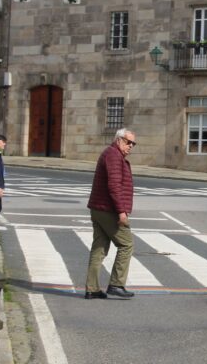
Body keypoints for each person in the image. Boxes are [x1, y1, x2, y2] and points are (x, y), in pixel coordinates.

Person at [85, 128, 137, 299]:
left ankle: (92, 288)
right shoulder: (114, 156)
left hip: (98, 208)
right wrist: (121, 211)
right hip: (108, 210)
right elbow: (114, 186)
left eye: (133, 143)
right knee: (126, 244)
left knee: (99, 248)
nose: (131, 146)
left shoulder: (111, 154)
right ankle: (116, 284)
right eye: (128, 142)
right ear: (119, 140)